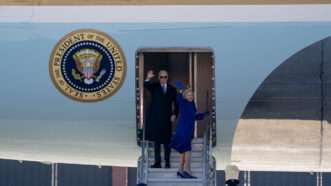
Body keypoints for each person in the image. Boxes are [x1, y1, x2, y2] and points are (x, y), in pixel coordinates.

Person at [170, 87, 208, 178]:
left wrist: (204, 114)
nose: (191, 96)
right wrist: (181, 91)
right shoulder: (183, 103)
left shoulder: (192, 105)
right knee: (187, 149)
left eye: (192, 95)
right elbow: (178, 98)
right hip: (183, 129)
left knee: (184, 150)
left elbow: (194, 117)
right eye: (189, 95)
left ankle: (180, 170)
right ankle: (187, 169)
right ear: (185, 96)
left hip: (188, 130)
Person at [144, 70, 178, 168]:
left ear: (168, 78)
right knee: (157, 142)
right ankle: (157, 163)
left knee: (167, 142)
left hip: (167, 119)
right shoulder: (154, 87)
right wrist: (148, 77)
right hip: (156, 118)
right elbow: (146, 85)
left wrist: (175, 114)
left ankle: (167, 163)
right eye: (161, 77)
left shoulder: (172, 89)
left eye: (165, 77)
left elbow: (176, 104)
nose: (163, 79)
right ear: (158, 78)